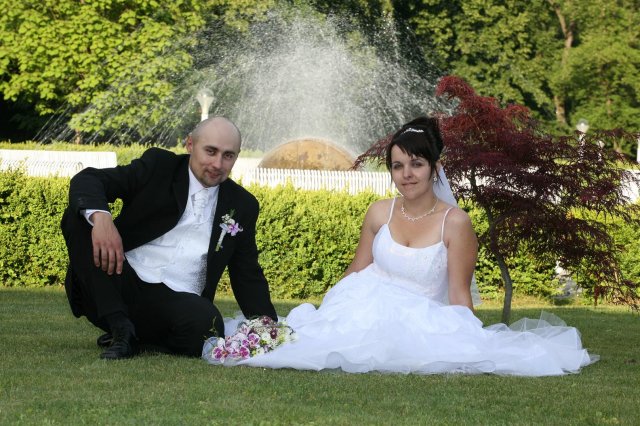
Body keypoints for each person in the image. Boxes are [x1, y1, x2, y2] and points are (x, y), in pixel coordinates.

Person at [207, 116, 598, 376]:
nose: (406, 174)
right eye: (397, 166)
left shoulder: (455, 223)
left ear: (435, 168)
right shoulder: (380, 212)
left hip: (418, 317)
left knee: (390, 352)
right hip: (361, 304)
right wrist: (327, 310)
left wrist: (468, 338)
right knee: (305, 344)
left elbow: (459, 294)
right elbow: (357, 269)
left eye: (416, 164)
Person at [61, 116, 277, 360]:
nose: (218, 164)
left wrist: (267, 327)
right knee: (78, 218)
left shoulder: (243, 204)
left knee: (208, 325)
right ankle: (120, 328)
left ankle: (137, 337)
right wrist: (101, 219)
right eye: (210, 151)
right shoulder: (159, 166)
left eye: (228, 155)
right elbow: (88, 179)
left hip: (176, 301)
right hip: (115, 280)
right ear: (190, 144)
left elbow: (246, 272)